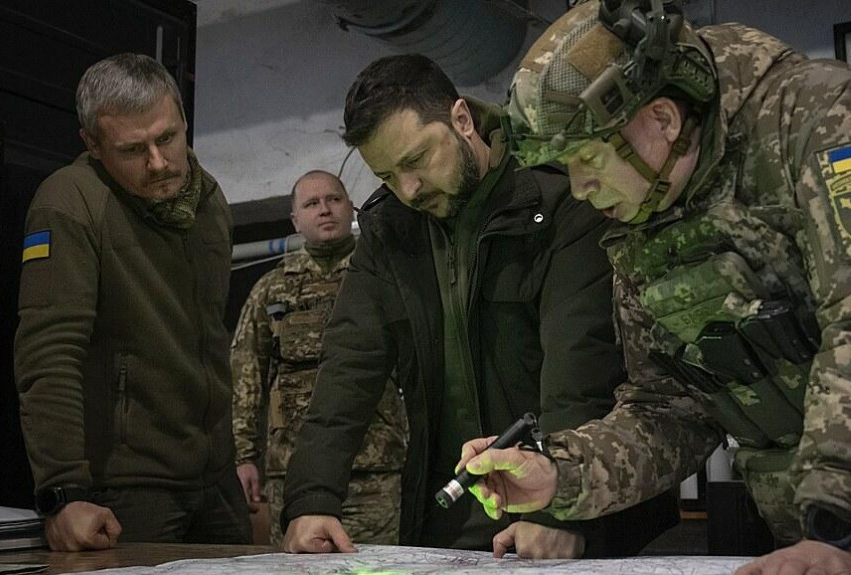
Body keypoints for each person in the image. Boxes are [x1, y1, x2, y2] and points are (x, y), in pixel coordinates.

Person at [457, 1, 851, 573]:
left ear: (663, 118)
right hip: (811, 537)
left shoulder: (821, 119)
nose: (581, 188)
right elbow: (670, 406)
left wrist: (840, 525)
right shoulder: (645, 211)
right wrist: (560, 473)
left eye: (588, 158)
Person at [280, 54, 678, 558]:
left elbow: (580, 366)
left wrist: (555, 508)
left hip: (582, 515)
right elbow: (347, 365)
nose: (408, 189)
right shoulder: (390, 232)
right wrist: (311, 497)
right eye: (386, 175)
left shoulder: (558, 199)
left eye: (416, 160)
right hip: (452, 517)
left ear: (462, 120)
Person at [13, 53, 250, 551]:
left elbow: (212, 341)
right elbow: (49, 353)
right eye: (133, 149)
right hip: (127, 489)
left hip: (216, 480)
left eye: (167, 138)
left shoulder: (211, 202)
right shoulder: (69, 201)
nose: (159, 162)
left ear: (185, 122)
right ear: (93, 146)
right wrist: (62, 493)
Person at [231, 170, 408, 546]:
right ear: (295, 220)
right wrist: (244, 456)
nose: (324, 210)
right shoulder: (271, 289)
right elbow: (246, 376)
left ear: (351, 208)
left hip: (375, 469)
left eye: (334, 199)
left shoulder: (386, 277)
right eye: (312, 204)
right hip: (293, 470)